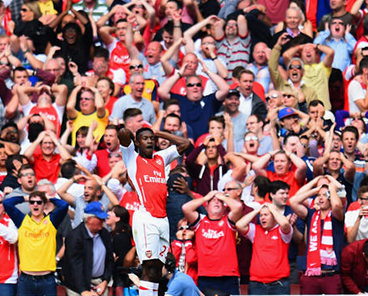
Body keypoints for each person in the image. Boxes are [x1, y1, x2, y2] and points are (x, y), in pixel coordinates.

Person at [118, 127, 190, 296]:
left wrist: (159, 133)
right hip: (146, 217)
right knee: (149, 264)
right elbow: (122, 133)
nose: (149, 141)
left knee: (158, 268)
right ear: (137, 142)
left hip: (162, 219)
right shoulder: (132, 157)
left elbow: (185, 143)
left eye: (151, 138)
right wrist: (132, 134)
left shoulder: (161, 158)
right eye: (145, 138)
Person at [3, 190, 69, 296]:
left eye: (39, 202)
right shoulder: (22, 220)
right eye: (32, 202)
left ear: (44, 204)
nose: (35, 205)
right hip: (26, 279)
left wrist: (49, 198)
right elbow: (7, 203)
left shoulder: (52, 221)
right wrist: (25, 198)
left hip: (47, 279)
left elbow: (64, 205)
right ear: (29, 204)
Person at [181, 191, 243, 295]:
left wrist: (223, 197)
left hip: (228, 275)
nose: (216, 202)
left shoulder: (228, 220)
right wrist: (206, 197)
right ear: (206, 207)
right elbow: (186, 208)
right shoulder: (200, 221)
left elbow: (238, 207)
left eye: (220, 201)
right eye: (213, 201)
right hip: (205, 275)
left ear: (224, 207)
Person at [289, 178, 344, 294]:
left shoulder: (336, 216)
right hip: (311, 274)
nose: (320, 197)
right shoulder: (311, 214)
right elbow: (293, 201)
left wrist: (332, 189)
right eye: (319, 196)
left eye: (325, 195)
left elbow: (338, 204)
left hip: (331, 275)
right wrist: (316, 190)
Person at [236, 203, 293, 295]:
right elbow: (239, 225)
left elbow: (285, 223)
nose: (262, 218)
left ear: (274, 216)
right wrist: (257, 210)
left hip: (279, 285)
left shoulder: (281, 231)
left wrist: (273, 209)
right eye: (261, 215)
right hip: (256, 285)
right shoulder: (255, 230)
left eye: (266, 215)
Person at [62, 202, 114, 296]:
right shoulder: (75, 236)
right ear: (89, 219)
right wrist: (83, 291)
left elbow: (110, 259)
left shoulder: (105, 234)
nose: (103, 221)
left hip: (99, 283)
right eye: (100, 219)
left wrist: (105, 281)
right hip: (77, 287)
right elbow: (75, 265)